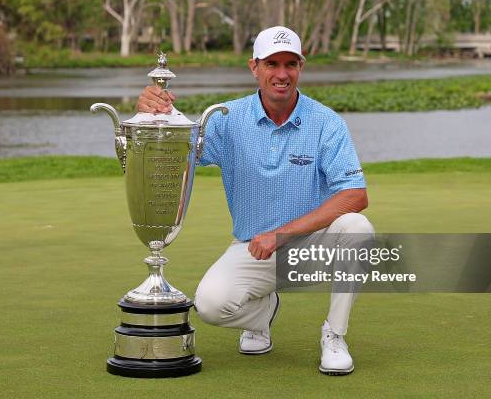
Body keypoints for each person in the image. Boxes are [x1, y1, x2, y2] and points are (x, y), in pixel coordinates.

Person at [137, 26, 374, 375]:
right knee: (211, 305)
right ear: (254, 67)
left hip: (311, 248)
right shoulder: (226, 119)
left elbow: (355, 195)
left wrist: (282, 235)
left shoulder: (326, 122)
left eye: (290, 64)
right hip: (252, 249)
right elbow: (174, 150)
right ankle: (262, 313)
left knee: (358, 227)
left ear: (301, 67)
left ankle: (334, 335)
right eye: (271, 64)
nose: (281, 74)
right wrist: (152, 114)